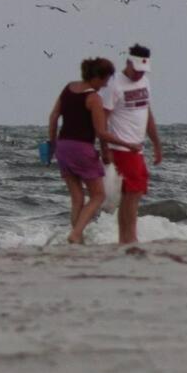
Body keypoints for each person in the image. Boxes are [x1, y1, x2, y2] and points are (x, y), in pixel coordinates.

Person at [48, 58, 143, 244]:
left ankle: (78, 238)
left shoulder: (68, 88)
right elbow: (101, 132)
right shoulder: (93, 98)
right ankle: (76, 234)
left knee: (77, 198)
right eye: (107, 79)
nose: (107, 84)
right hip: (81, 149)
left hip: (63, 147)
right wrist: (128, 145)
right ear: (97, 77)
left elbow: (53, 116)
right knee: (98, 195)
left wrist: (52, 143)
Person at [99, 44, 163, 244]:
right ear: (128, 63)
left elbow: (147, 113)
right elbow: (102, 119)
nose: (139, 75)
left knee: (134, 195)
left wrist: (156, 143)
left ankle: (127, 238)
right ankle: (127, 239)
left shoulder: (145, 81)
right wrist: (104, 150)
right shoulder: (114, 84)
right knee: (130, 194)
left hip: (137, 149)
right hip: (121, 148)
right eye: (136, 70)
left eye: (143, 71)